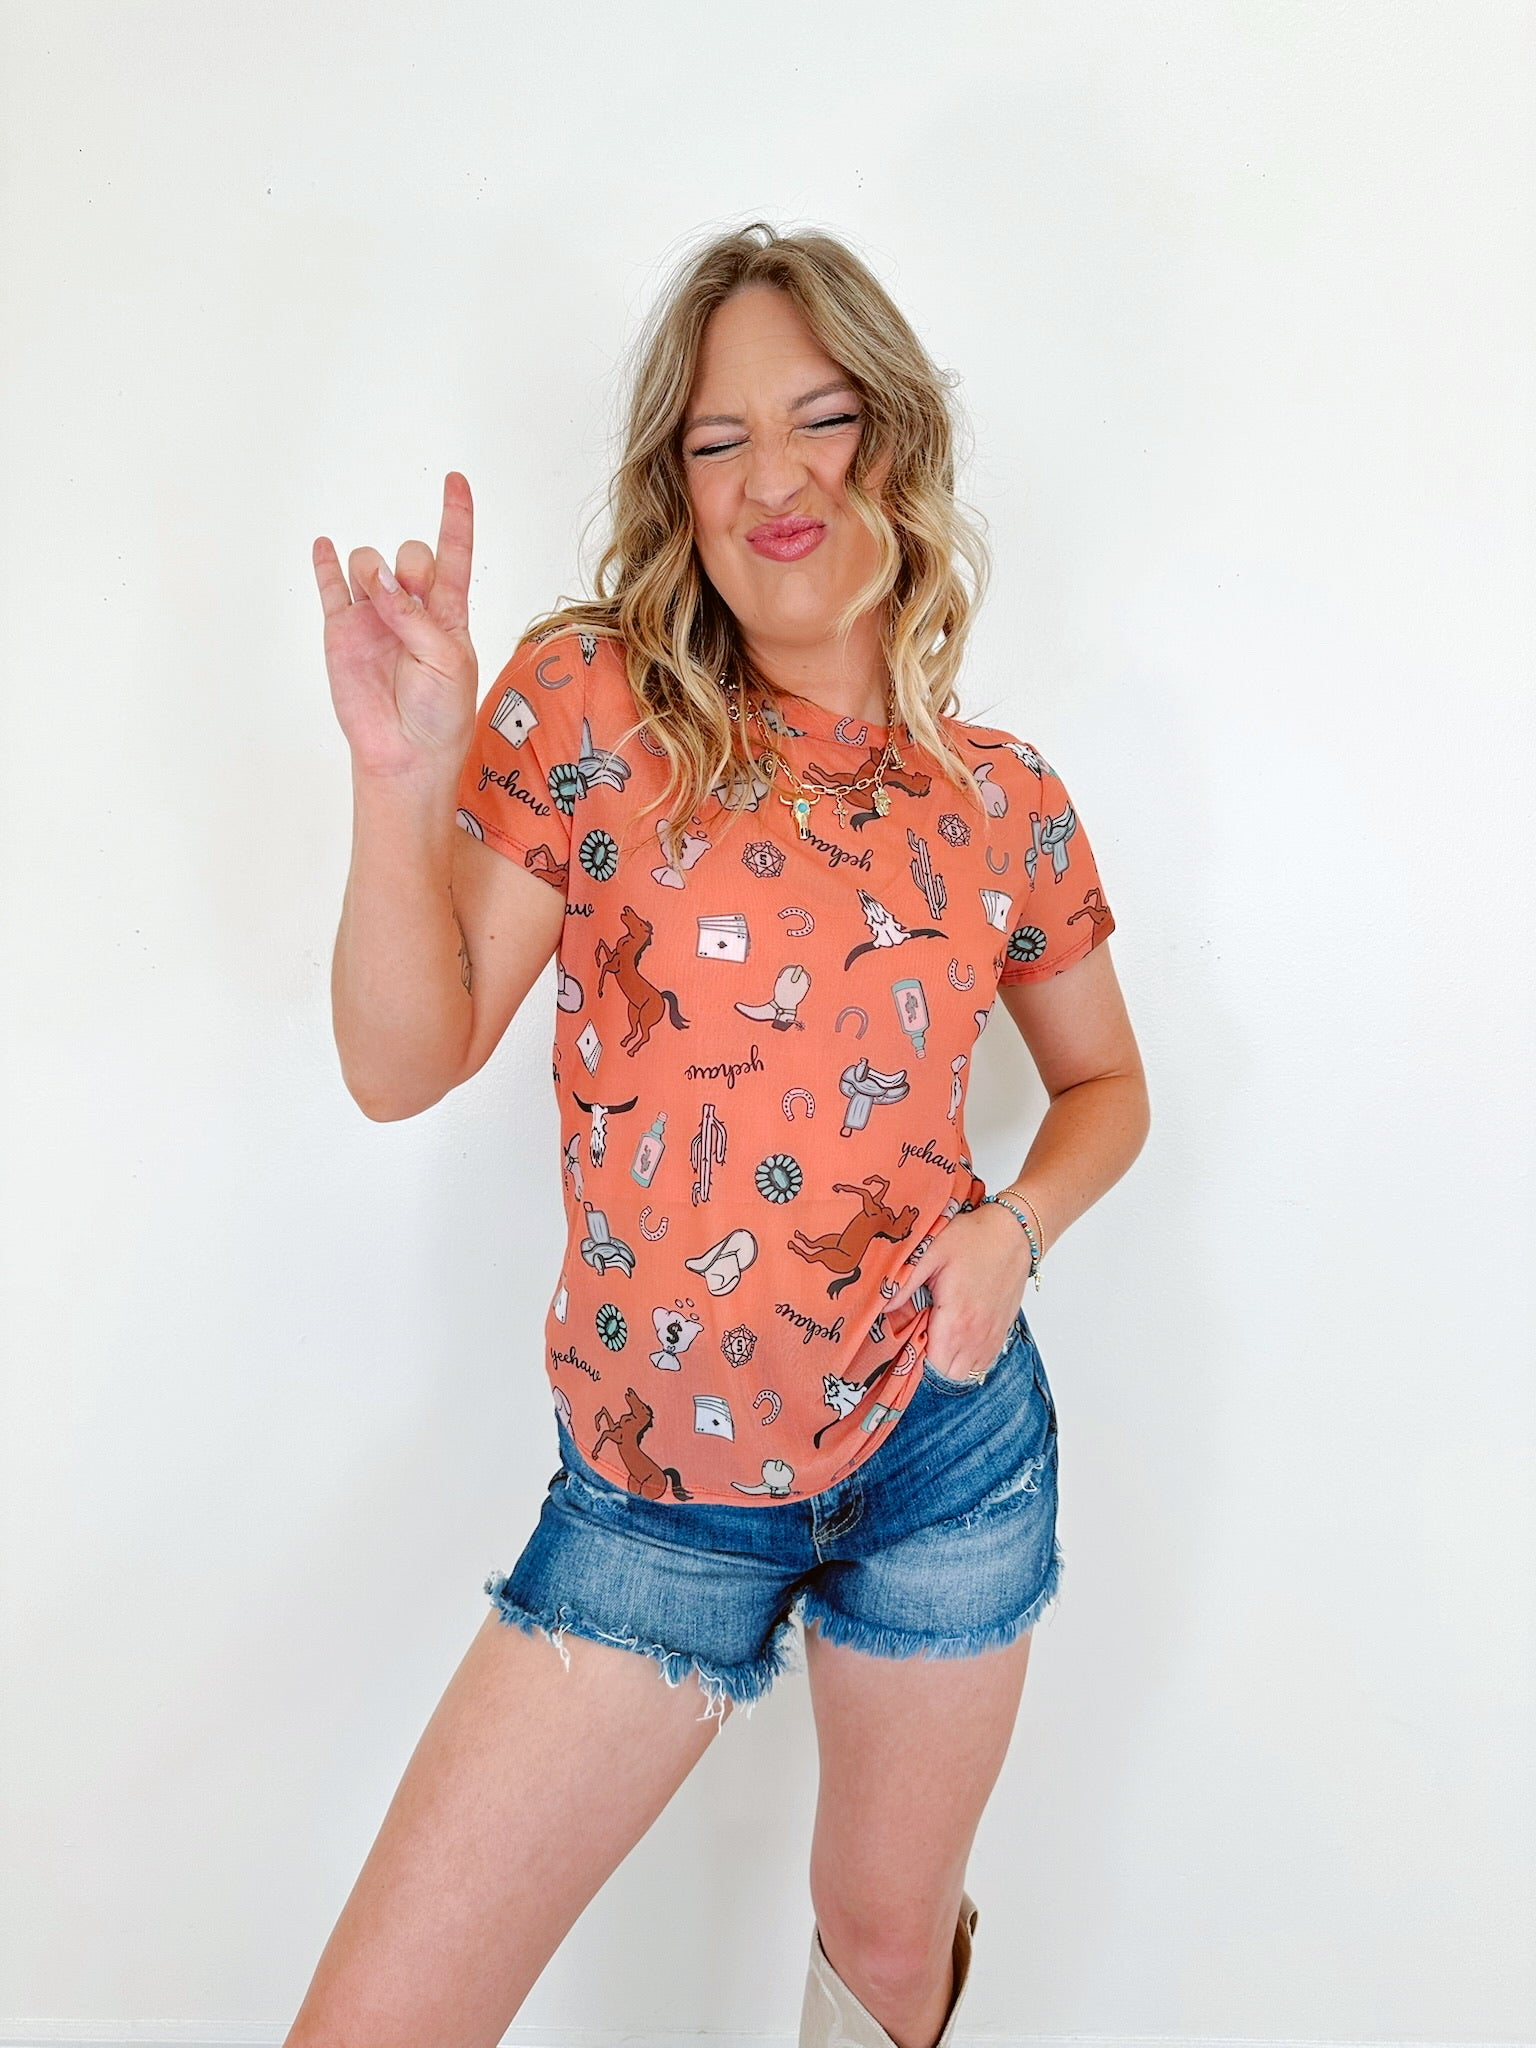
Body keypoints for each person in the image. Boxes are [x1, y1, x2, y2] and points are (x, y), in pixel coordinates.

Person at [302, 222, 1149, 2048]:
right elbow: (402, 1061)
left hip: (944, 1455)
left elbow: (1109, 1089)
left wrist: (1014, 1230)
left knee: (888, 1948)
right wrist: (398, 782)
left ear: (898, 441)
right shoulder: (593, 707)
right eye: (716, 439)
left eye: (821, 418)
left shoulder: (1003, 801)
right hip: (655, 1503)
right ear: (675, 491)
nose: (773, 477)